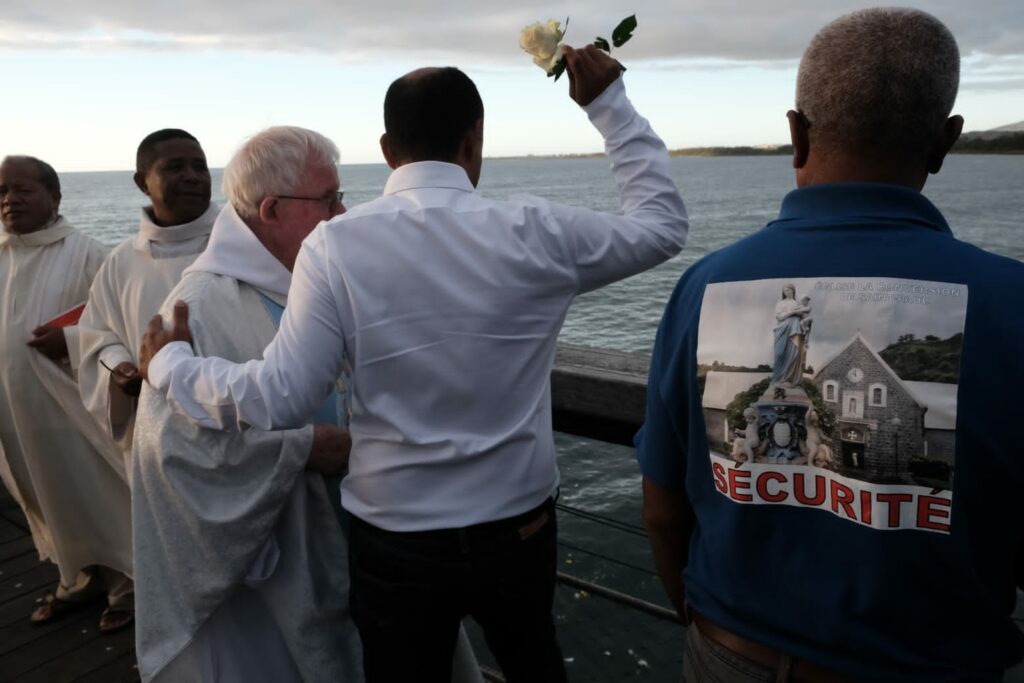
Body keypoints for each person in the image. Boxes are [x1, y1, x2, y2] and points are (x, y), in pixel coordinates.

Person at [141, 46, 687, 683]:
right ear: (473, 141)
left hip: (394, 537)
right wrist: (608, 106)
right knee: (534, 662)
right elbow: (661, 225)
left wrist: (172, 366)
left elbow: (280, 397)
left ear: (387, 148)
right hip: (517, 528)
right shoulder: (537, 230)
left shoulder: (334, 245)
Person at [637, 8, 1024, 682]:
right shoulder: (1012, 301)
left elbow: (662, 509)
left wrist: (699, 622)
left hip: (728, 651)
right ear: (945, 141)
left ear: (795, 133)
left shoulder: (704, 285)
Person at [131, 126, 482, 683]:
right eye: (328, 199)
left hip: (361, 533)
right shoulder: (197, 308)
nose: (343, 213)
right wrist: (300, 448)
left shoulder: (315, 274)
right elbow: (168, 453)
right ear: (270, 209)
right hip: (269, 576)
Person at [0, 155, 134, 633]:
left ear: (55, 198)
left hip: (73, 412)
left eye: (22, 190)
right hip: (15, 416)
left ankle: (126, 585)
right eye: (2, 193)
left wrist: (70, 342)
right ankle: (75, 578)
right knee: (44, 498)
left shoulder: (90, 254)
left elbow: (120, 328)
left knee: (99, 493)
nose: (9, 200)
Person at [76, 128, 218, 467]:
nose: (192, 176)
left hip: (238, 422)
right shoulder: (122, 260)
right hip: (157, 434)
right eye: (175, 167)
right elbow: (97, 335)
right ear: (142, 182)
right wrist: (120, 369)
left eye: (200, 167)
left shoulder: (245, 242)